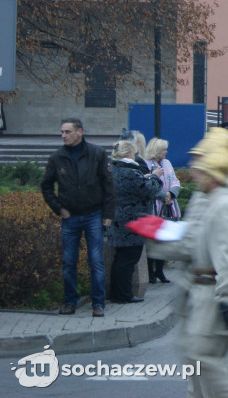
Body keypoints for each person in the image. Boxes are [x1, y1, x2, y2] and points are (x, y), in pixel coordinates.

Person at [144, 127, 228, 398]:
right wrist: (159, 235)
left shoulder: (227, 197)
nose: (193, 167)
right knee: (198, 361)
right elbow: (193, 238)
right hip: (201, 286)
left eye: (200, 160)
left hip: (213, 287)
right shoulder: (208, 193)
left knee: (205, 360)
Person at [41, 118, 114, 317]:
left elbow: (108, 185)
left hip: (93, 215)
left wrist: (108, 214)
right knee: (68, 262)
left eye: (67, 131)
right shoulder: (57, 157)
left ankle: (98, 304)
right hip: (70, 216)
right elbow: (46, 186)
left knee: (96, 261)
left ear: (79, 132)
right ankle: (70, 302)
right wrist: (59, 208)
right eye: (62, 132)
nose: (64, 135)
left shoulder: (97, 153)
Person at [108, 140, 163, 303]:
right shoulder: (129, 172)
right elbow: (149, 190)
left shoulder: (115, 169)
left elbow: (133, 187)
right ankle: (124, 295)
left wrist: (144, 178)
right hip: (131, 223)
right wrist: (155, 176)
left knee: (120, 259)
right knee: (128, 260)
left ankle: (116, 293)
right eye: (134, 153)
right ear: (127, 155)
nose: (135, 156)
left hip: (118, 221)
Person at [145, 137, 180, 284]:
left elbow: (175, 180)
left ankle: (160, 270)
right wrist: (162, 195)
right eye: (163, 149)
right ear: (156, 150)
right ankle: (150, 272)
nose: (166, 152)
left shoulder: (167, 163)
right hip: (155, 205)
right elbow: (147, 183)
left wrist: (170, 194)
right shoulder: (146, 163)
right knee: (152, 239)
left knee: (164, 240)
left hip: (168, 205)